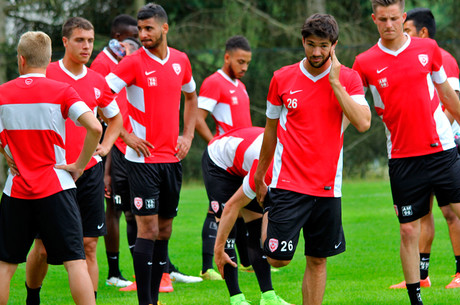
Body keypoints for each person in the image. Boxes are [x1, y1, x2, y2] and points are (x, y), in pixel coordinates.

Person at [254, 14, 371, 305]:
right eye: (310, 44)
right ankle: (269, 214)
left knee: (318, 260)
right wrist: (260, 174)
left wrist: (335, 84)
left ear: (334, 45)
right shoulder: (282, 78)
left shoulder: (348, 79)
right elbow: (270, 132)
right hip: (289, 184)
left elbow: (363, 123)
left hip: (328, 188)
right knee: (276, 260)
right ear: (302, 42)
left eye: (323, 46)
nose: (316, 52)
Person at [352, 1, 460, 304]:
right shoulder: (364, 62)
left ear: (404, 18)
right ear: (374, 19)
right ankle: (416, 299)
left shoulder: (428, 48)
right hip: (402, 158)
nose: (389, 24)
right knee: (408, 231)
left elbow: (448, 97)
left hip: (442, 150)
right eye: (383, 19)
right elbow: (353, 108)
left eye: (395, 18)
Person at [25, 17, 123, 304]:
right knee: (42, 248)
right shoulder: (47, 73)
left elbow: (115, 119)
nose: (87, 46)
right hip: (51, 171)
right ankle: (33, 298)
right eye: (80, 40)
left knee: (89, 245)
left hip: (89, 172)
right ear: (65, 42)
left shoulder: (97, 80)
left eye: (91, 40)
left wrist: (105, 147)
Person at [105, 3, 198, 305]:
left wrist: (188, 135)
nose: (143, 34)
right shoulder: (132, 63)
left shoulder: (181, 60)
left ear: (164, 28)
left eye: (148, 28)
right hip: (141, 162)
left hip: (171, 161)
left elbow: (191, 95)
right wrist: (124, 134)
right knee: (148, 228)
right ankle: (145, 301)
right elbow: (103, 95)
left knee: (165, 229)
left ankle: (156, 296)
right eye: (140, 28)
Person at [0, 30, 101, 305]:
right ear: (48, 60)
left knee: (5, 266)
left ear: (21, 60)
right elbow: (95, 127)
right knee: (75, 263)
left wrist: (7, 152)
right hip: (56, 187)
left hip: (16, 190)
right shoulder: (62, 90)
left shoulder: (2, 93)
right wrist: (79, 165)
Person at [389, 7, 460, 290]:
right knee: (421, 214)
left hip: (445, 147)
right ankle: (422, 276)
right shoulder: (407, 59)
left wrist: (431, 134)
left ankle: (458, 273)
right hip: (418, 151)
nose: (401, 36)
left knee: (451, 212)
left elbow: (452, 104)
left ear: (423, 33)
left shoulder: (442, 58)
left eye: (406, 30)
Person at [208, 127, 292, 305]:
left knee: (255, 225)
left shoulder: (290, 165)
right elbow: (232, 206)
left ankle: (268, 297)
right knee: (228, 231)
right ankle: (236, 299)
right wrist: (218, 248)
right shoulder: (266, 169)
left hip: (245, 163)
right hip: (219, 163)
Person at [196, 35, 253, 280]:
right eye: (240, 61)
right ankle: (208, 267)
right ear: (227, 57)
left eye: (248, 63)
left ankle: (248, 262)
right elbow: (198, 119)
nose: (244, 67)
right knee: (217, 211)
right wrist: (214, 145)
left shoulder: (240, 85)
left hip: (241, 159)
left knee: (239, 210)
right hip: (224, 160)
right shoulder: (213, 83)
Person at [90, 13, 139, 289]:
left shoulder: (124, 59)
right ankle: (113, 271)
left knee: (134, 210)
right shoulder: (102, 64)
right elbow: (100, 109)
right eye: (133, 34)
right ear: (120, 37)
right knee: (115, 208)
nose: (139, 38)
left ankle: (161, 267)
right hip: (113, 144)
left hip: (126, 141)